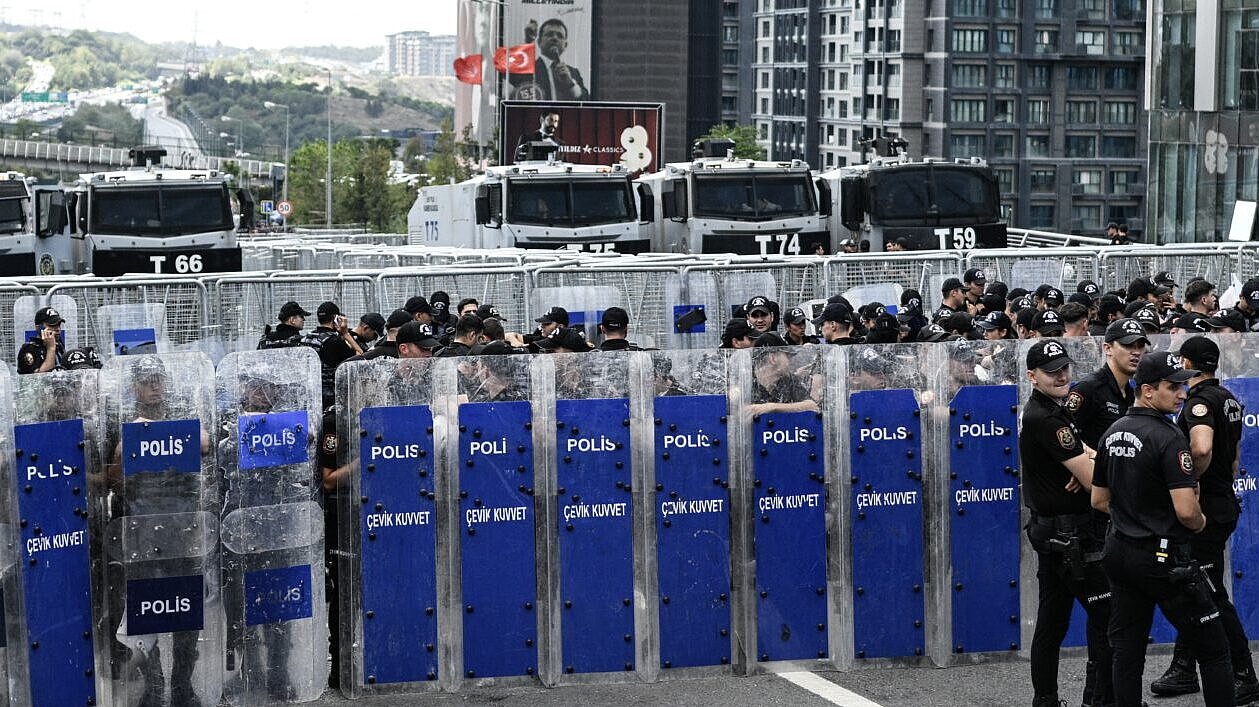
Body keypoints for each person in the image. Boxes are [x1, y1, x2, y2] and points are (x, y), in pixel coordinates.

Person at [1091, 352, 1234, 707]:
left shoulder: (1112, 431)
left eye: (1184, 384)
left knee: (1127, 648)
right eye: (1174, 386)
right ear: (1148, 391)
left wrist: (1134, 514)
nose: (1183, 393)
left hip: (1120, 552)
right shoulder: (1169, 437)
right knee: (1215, 650)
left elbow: (1098, 500)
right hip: (1163, 558)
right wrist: (1200, 522)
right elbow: (1187, 512)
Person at [1149, 337, 1259, 703]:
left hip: (1207, 507)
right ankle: (1183, 668)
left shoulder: (1198, 403)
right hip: (1222, 499)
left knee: (1209, 591)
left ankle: (1243, 671)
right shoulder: (1227, 397)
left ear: (1187, 363)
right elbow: (1235, 457)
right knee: (1194, 584)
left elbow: (1201, 447)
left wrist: (1190, 483)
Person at [1020, 340, 1114, 707]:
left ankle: (1047, 700)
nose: (1061, 376)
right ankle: (1100, 699)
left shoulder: (1056, 411)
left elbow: (1087, 460)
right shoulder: (1046, 417)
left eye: (1064, 369)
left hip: (1059, 531)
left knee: (1054, 620)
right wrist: (1088, 466)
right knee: (1107, 615)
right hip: (1068, 535)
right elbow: (1094, 481)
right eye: (1051, 371)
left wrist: (1085, 460)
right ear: (1032, 376)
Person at [1067, 318, 1149, 449]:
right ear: (1107, 348)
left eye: (1140, 345)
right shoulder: (1089, 389)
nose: (1136, 352)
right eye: (1128, 345)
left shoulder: (1133, 392)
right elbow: (1066, 435)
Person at [510, 18, 590, 101]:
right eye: (549, 34)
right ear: (539, 42)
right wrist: (528, 42)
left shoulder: (573, 73)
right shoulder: (529, 69)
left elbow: (586, 102)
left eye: (560, 36)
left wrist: (570, 84)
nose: (555, 38)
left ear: (565, 45)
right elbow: (510, 74)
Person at [17, 305, 66, 373]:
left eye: (58, 324)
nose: (57, 329)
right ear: (38, 327)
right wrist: (51, 349)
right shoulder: (29, 349)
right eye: (52, 325)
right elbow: (41, 380)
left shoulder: (59, 344)